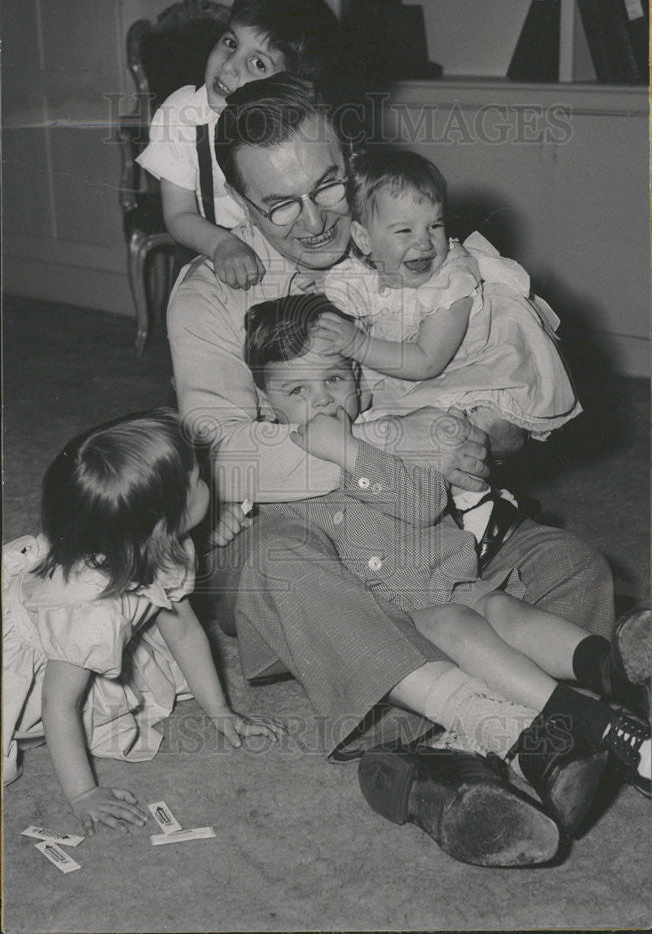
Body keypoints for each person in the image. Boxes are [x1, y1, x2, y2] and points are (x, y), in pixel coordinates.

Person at [166, 74, 617, 866]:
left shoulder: (416, 244)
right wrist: (391, 437)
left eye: (327, 185)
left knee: (568, 562)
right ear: (239, 203)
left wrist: (490, 432)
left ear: (351, 157)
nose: (314, 221)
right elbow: (221, 453)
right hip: (308, 543)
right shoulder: (207, 298)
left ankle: (434, 767)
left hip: (422, 536)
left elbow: (510, 403)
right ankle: (523, 725)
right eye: (279, 205)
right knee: (278, 565)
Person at [242, 291, 651, 828]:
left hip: (452, 579)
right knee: (458, 625)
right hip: (391, 620)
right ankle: (588, 722)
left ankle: (611, 668)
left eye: (335, 381)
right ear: (264, 400)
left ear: (359, 383)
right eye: (297, 390)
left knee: (509, 610)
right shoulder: (264, 459)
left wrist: (351, 451)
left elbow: (422, 501)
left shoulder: (381, 440)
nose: (322, 402)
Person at [2, 409, 283, 835]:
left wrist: (220, 710)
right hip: (36, 660)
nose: (208, 480)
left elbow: (183, 626)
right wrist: (83, 795)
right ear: (159, 525)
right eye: (197, 481)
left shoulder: (165, 545)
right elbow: (58, 704)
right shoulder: (91, 614)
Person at [316, 145, 582, 552]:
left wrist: (357, 342)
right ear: (364, 239)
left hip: (467, 368)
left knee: (456, 431)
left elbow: (427, 361)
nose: (424, 244)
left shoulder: (452, 277)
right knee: (387, 432)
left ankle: (481, 507)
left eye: (434, 226)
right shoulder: (354, 276)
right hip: (402, 374)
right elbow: (330, 310)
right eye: (404, 231)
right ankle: (450, 513)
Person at [137, 0, 344, 290]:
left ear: (289, 85)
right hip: (214, 257)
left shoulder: (302, 128)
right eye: (231, 43)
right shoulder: (181, 113)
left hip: (292, 258)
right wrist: (223, 246)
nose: (230, 67)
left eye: (257, 63)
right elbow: (178, 215)